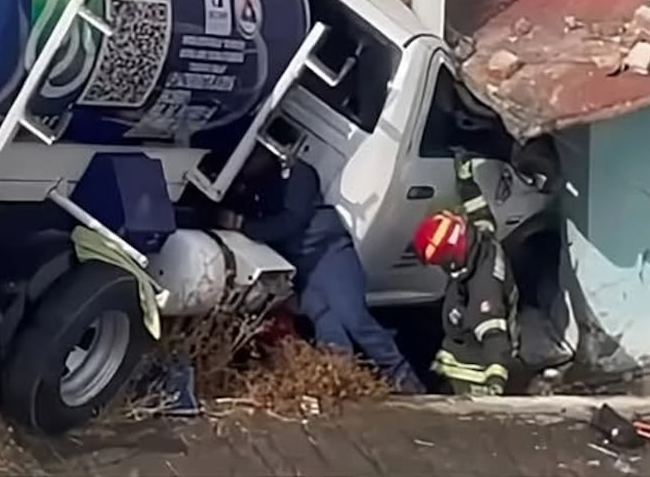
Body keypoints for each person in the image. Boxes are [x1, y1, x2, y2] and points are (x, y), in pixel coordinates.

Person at [221, 148, 426, 394]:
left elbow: (291, 221)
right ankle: (343, 382)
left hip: (329, 253)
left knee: (354, 318)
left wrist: (243, 226)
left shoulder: (299, 174)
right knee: (328, 325)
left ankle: (405, 380)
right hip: (302, 267)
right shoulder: (248, 187)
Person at [411, 150, 524, 396]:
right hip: (457, 349)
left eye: (442, 261)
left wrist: (495, 378)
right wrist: (465, 179)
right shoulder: (481, 240)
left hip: (470, 372)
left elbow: (494, 333)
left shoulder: (484, 288)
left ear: (453, 257)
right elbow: (479, 211)